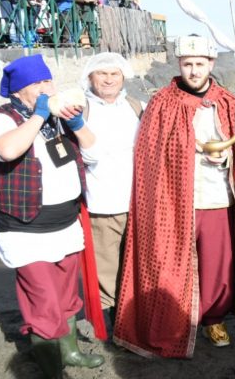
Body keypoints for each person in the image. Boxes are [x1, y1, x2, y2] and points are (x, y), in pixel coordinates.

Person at [0, 55, 104, 377]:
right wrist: (38, 116)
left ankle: (70, 352)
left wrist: (76, 124)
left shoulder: (59, 118)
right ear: (19, 91)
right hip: (25, 229)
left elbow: (93, 151)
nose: (46, 88)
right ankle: (51, 369)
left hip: (65, 223)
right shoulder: (1, 118)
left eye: (48, 81)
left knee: (65, 295)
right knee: (42, 301)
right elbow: (7, 151)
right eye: (37, 84)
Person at [114, 34, 235, 358]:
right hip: (173, 199)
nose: (194, 71)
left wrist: (225, 158)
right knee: (171, 262)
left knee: (217, 265)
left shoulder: (227, 102)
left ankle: (213, 319)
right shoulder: (161, 103)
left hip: (217, 198)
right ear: (179, 65)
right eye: (188, 64)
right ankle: (179, 320)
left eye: (200, 64)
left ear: (211, 64)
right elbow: (149, 154)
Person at [79, 53, 144, 337]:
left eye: (114, 74)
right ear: (90, 78)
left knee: (135, 263)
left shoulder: (137, 106)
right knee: (106, 267)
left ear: (123, 77)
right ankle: (113, 324)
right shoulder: (80, 109)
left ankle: (132, 317)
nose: (108, 79)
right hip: (101, 200)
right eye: (101, 74)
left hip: (137, 200)